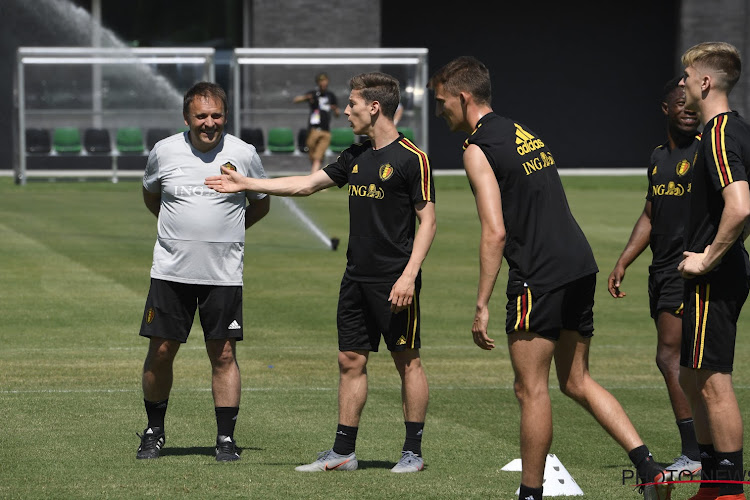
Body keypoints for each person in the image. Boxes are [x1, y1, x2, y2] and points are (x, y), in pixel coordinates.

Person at [427, 56, 671, 500]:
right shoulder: (521, 131)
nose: (438, 110)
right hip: (578, 264)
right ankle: (649, 468)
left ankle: (530, 494)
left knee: (530, 389)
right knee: (576, 380)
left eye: (442, 101)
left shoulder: (477, 149)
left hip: (539, 274)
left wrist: (481, 302)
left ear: (463, 98)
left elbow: (495, 230)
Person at [206, 72, 436, 473]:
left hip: (395, 280)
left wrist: (408, 276)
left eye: (352, 104)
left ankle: (412, 453)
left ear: (374, 107)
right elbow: (306, 185)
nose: (345, 111)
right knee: (350, 360)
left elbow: (428, 221)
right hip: (355, 278)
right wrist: (247, 182)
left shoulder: (412, 159)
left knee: (407, 361)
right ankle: (343, 452)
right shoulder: (356, 155)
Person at [136, 81, 270, 462]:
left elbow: (259, 203)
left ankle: (226, 439)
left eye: (216, 115)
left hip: (223, 275)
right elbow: (152, 196)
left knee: (223, 354)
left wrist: (226, 233)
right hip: (170, 272)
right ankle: (153, 431)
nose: (209, 123)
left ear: (225, 116)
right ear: (186, 118)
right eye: (201, 116)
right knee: (161, 351)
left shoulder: (243, 153)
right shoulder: (164, 151)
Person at [608, 76, 702, 476]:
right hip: (660, 270)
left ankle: (695, 454)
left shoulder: (706, 155)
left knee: (670, 357)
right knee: (683, 361)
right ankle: (705, 451)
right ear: (666, 109)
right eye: (680, 103)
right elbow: (650, 213)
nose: (688, 109)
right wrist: (624, 260)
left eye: (693, 103)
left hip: (687, 268)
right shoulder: (658, 157)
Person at [677, 41, 750, 500]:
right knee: (692, 375)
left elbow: (740, 206)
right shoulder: (733, 130)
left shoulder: (720, 132)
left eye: (686, 77)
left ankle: (727, 490)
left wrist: (708, 256)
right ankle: (711, 485)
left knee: (712, 381)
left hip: (713, 276)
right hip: (717, 274)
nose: (681, 84)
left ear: (705, 82)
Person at [294, 72, 341, 173]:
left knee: (318, 156)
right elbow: (296, 100)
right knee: (312, 153)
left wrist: (335, 109)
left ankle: (313, 177)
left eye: (324, 81)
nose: (323, 84)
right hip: (313, 129)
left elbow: (337, 114)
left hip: (325, 130)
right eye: (321, 82)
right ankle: (318, 173)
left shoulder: (330, 95)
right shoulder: (314, 93)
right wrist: (307, 98)